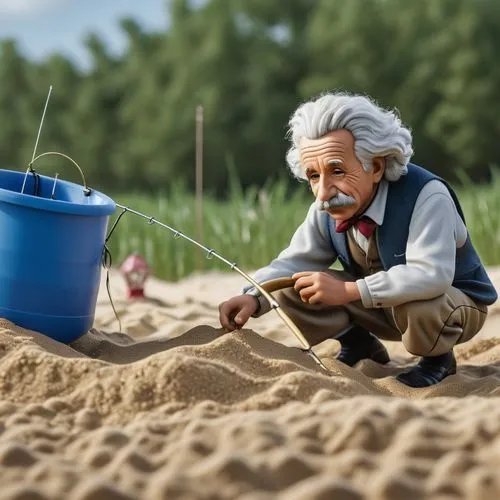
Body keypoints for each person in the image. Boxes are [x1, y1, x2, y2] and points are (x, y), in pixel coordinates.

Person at [218, 92, 497, 388]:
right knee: (292, 286)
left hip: (450, 306)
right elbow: (293, 261)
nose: (323, 191)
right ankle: (360, 344)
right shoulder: (326, 209)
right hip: (379, 305)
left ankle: (438, 360)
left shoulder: (426, 196)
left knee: (422, 302)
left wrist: (349, 290)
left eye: (337, 171)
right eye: (313, 176)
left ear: (375, 167)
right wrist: (254, 294)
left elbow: (432, 274)